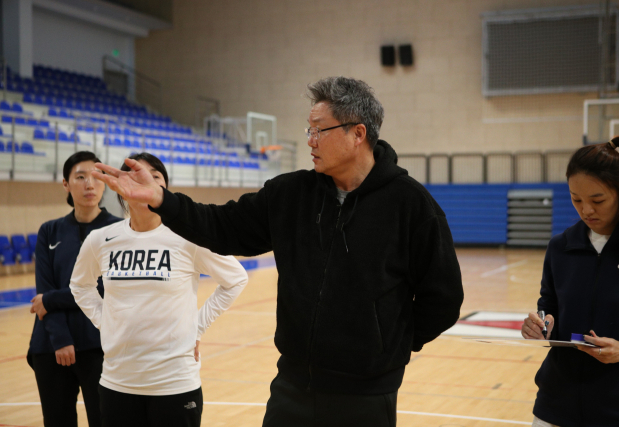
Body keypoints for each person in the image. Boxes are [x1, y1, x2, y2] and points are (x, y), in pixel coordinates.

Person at [93, 77, 464, 427]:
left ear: (358, 134)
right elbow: (221, 225)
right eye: (309, 130)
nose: (310, 140)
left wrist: (388, 347)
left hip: (367, 396)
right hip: (291, 390)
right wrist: (161, 199)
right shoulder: (290, 194)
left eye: (320, 129)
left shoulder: (412, 205)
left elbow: (443, 299)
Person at [69, 152, 249, 427]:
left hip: (174, 384)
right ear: (120, 188)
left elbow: (235, 279)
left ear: (165, 189)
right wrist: (104, 321)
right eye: (137, 176)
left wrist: (196, 328)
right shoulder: (101, 239)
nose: (146, 183)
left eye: (155, 177)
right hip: (118, 382)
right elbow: (80, 285)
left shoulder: (188, 236)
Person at [521, 139, 619, 427]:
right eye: (576, 199)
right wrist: (539, 324)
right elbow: (548, 305)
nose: (586, 210)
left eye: (597, 200)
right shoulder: (560, 247)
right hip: (556, 403)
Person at [28, 151, 121, 427]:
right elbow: (42, 288)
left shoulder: (119, 230)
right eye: (80, 177)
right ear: (66, 184)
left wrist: (52, 299)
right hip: (50, 347)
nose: (89, 184)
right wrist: (61, 340)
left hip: (100, 346)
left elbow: (106, 289)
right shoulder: (49, 231)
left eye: (95, 177)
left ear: (105, 183)